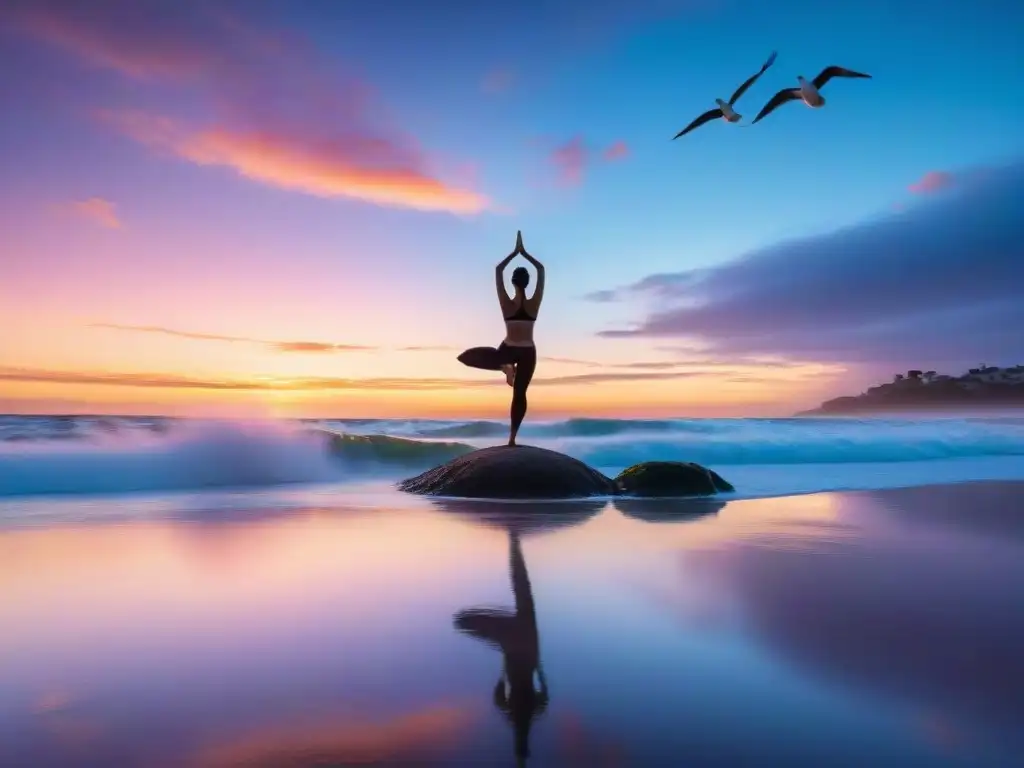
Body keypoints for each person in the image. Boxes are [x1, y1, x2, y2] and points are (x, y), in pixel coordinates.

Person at [457, 231, 545, 447]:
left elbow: (498, 270)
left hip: (509, 349)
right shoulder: (534, 302)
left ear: (514, 282)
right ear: (528, 282)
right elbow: (541, 269)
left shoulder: (506, 302)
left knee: (466, 357)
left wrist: (514, 253)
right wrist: (525, 253)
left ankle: (505, 366)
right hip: (526, 351)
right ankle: (512, 438)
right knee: (520, 395)